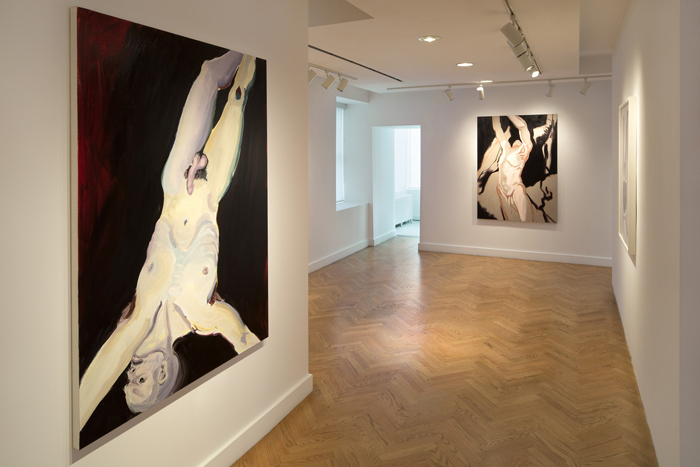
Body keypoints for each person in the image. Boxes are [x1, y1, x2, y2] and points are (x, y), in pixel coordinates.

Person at [79, 51, 261, 429]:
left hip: (177, 185)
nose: (129, 375)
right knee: (238, 95)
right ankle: (254, 49)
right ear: (163, 375)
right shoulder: (204, 317)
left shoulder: (139, 319)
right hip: (210, 193)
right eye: (139, 383)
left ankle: (246, 46)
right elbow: (248, 341)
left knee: (208, 74)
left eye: (126, 382)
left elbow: (95, 380)